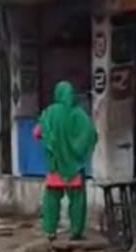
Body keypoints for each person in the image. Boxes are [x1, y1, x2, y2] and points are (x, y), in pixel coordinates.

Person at [34, 81, 97, 241]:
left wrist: (52, 141)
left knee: (52, 200)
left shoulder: (49, 113)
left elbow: (37, 133)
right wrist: (76, 150)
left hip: (55, 166)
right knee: (77, 200)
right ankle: (76, 232)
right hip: (74, 168)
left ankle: (50, 231)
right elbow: (91, 133)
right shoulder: (79, 114)